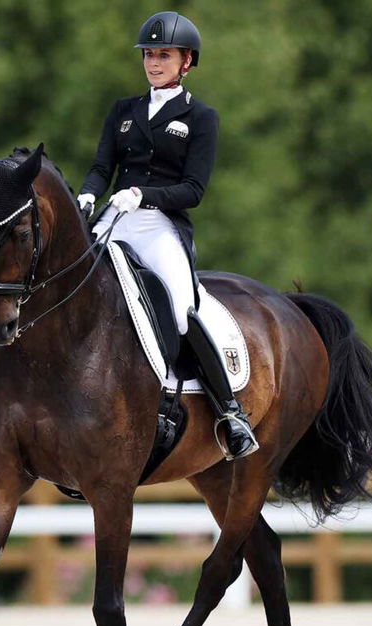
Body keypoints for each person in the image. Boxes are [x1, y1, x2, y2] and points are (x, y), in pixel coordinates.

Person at [78, 10, 258, 460]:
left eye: (164, 55)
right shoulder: (123, 110)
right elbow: (103, 167)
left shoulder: (201, 117)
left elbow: (193, 190)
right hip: (114, 217)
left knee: (181, 309)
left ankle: (230, 412)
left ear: (186, 62)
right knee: (64, 287)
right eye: (149, 55)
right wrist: (86, 195)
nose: (154, 63)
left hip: (159, 224)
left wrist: (143, 195)